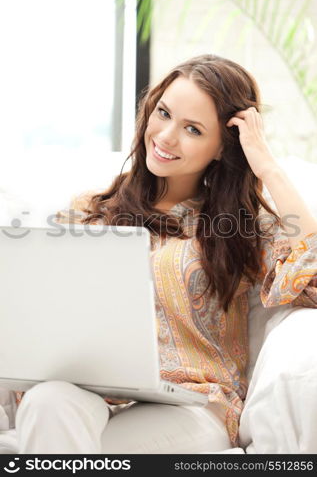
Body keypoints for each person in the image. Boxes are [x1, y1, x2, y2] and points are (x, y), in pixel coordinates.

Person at [13, 54, 317, 454]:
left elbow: (311, 274)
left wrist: (267, 168)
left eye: (192, 129)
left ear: (223, 148)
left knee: (76, 448)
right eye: (163, 113)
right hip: (93, 393)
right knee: (46, 402)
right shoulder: (89, 212)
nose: (167, 136)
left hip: (193, 404)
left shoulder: (239, 228)